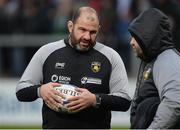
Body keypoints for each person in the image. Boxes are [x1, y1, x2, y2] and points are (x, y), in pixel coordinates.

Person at [16, 6, 131, 129]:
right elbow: (21, 91)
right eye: (82, 29)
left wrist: (94, 99)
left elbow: (124, 101)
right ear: (70, 26)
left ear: (99, 29)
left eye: (93, 32)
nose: (87, 36)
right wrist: (41, 90)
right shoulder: (47, 52)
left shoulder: (111, 56)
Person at [128, 8, 180, 129]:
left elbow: (174, 102)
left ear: (148, 36)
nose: (131, 42)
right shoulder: (154, 58)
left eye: (135, 37)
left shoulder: (167, 60)